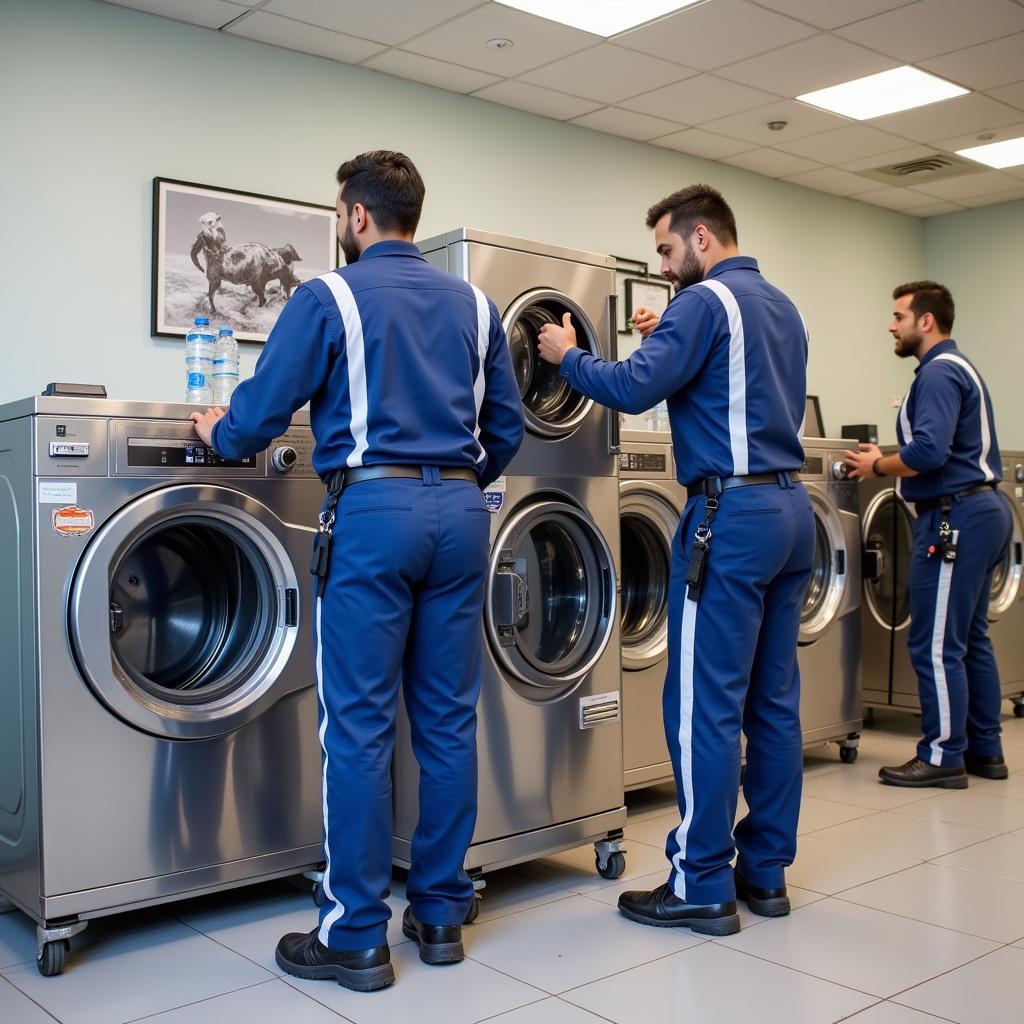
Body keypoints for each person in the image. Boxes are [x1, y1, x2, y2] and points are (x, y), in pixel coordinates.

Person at [190, 150, 524, 992]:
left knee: (362, 726)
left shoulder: (329, 296)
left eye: (343, 215)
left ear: (358, 216)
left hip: (374, 517)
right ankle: (442, 913)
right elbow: (508, 428)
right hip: (460, 516)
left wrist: (215, 434)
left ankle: (355, 935)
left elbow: (261, 411)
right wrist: (453, 485)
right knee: (448, 721)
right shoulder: (478, 306)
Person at [537, 184, 814, 936]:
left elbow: (631, 387)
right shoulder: (781, 307)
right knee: (774, 704)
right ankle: (765, 873)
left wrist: (569, 357)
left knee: (704, 708)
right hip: (792, 514)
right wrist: (672, 330)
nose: (662, 267)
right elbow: (737, 386)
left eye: (664, 250)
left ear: (700, 237)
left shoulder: (703, 305)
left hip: (730, 516)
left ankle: (699, 883)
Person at [843, 281, 1010, 789]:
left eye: (898, 316)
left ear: (926, 321)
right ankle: (985, 751)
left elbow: (929, 453)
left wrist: (877, 464)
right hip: (984, 510)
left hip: (953, 516)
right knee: (969, 640)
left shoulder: (937, 373)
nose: (891, 326)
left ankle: (941, 756)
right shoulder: (960, 368)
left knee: (936, 645)